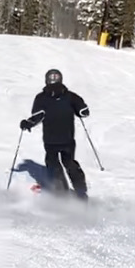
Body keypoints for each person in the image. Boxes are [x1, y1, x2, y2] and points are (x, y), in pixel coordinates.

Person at [19, 68, 90, 200]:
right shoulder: (70, 96)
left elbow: (38, 116)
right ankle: (81, 192)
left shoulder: (41, 98)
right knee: (69, 162)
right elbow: (83, 111)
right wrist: (82, 111)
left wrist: (27, 123)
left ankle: (61, 193)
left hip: (50, 140)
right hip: (67, 139)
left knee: (53, 164)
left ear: (46, 81)